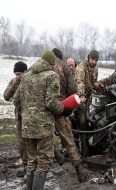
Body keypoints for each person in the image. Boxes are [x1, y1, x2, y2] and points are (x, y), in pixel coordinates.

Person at [13, 50, 69, 190]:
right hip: (43, 128)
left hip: (27, 127)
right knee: (43, 162)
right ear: (51, 63)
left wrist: (29, 111)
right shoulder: (51, 76)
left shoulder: (25, 77)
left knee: (32, 161)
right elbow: (51, 102)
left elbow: (15, 100)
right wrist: (63, 109)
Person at [52, 48, 88, 182]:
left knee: (43, 136)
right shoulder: (64, 67)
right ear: (61, 58)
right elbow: (72, 89)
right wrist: (67, 101)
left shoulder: (44, 65)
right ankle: (79, 170)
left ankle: (56, 152)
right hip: (61, 107)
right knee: (68, 139)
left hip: (44, 109)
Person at [3, 61, 28, 177]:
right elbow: (6, 96)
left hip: (31, 118)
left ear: (25, 72)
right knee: (21, 144)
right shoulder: (14, 81)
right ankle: (26, 165)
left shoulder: (31, 81)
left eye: (19, 74)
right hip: (19, 118)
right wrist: (16, 82)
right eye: (16, 74)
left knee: (35, 142)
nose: (17, 76)